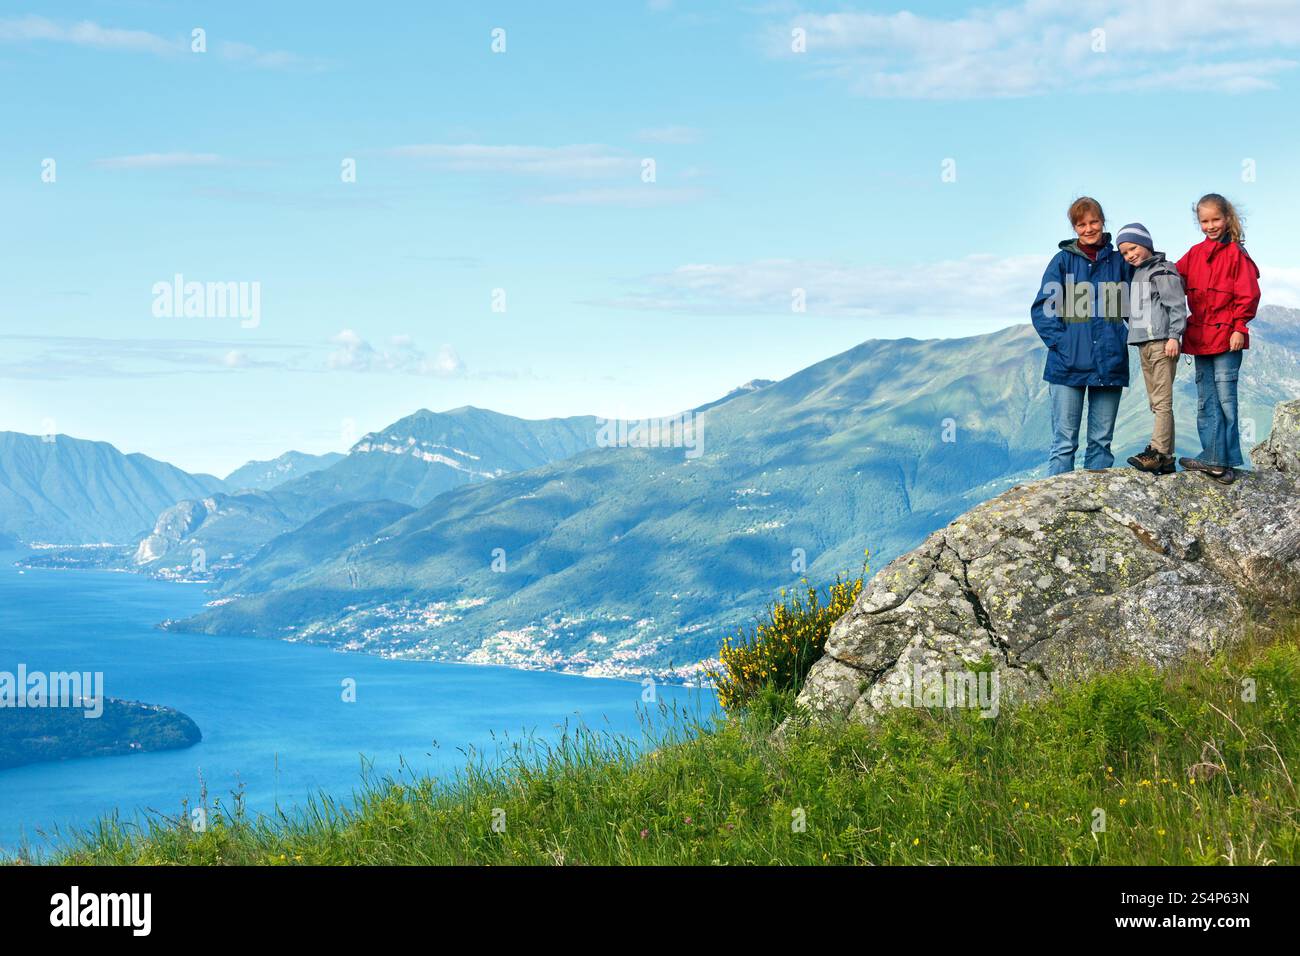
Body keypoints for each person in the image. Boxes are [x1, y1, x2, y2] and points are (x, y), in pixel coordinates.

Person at [1030, 197, 1133, 475]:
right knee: (1064, 444)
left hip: (1109, 364)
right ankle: (1057, 513)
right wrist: (1065, 345)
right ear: (1075, 228)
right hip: (1067, 366)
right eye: (1081, 224)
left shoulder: (1118, 262)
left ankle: (1096, 513)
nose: (1089, 229)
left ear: (1102, 222)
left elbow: (1140, 303)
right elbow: (1043, 311)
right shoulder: (1062, 263)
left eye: (1094, 222)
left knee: (1101, 443)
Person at [1176, 193, 1261, 485]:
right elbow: (1172, 277)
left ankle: (1223, 461)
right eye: (1204, 221)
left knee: (1226, 400)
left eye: (1215, 219)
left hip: (1227, 339)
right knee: (1205, 401)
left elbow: (1248, 294)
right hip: (1200, 338)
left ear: (1226, 219)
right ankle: (1212, 458)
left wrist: (1240, 327)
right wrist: (1144, 264)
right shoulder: (1194, 254)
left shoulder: (1237, 254)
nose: (1210, 226)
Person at [1115, 222, 1187, 475]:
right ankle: (1166, 458)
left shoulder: (1162, 271)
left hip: (1161, 343)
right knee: (1156, 402)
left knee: (1163, 401)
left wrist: (1174, 336)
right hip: (1143, 344)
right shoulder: (1137, 274)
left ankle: (1157, 452)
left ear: (1146, 244)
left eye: (1133, 248)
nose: (1129, 255)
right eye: (1124, 253)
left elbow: (1177, 306)